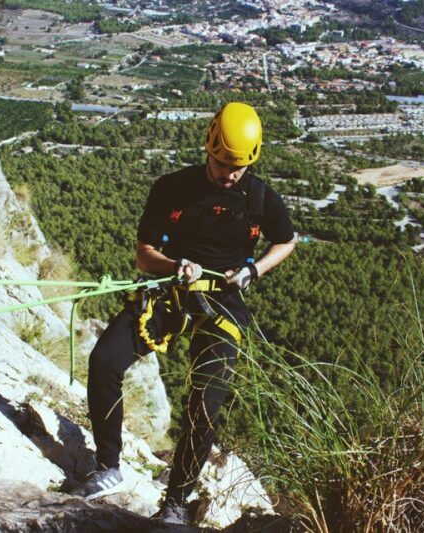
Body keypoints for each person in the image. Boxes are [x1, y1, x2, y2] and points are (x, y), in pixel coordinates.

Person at [67, 102, 296, 525]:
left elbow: (286, 240)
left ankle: (175, 503)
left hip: (222, 301)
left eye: (239, 167)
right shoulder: (172, 188)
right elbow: (143, 256)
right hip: (170, 290)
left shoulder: (260, 196)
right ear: (209, 147)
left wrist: (252, 269)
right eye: (224, 163)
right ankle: (109, 467)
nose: (230, 174)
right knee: (104, 361)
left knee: (205, 402)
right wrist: (175, 266)